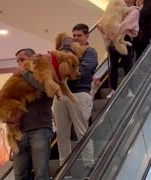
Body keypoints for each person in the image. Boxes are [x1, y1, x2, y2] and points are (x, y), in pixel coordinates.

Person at [52, 24, 98, 177]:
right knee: (62, 134)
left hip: (79, 94)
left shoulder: (90, 51)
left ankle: (89, 167)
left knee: (82, 132)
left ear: (86, 37)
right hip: (60, 95)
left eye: (79, 35)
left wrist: (65, 68)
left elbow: (84, 71)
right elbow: (54, 71)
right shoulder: (64, 52)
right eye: (74, 35)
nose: (76, 38)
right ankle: (65, 170)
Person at [8, 48, 53, 180]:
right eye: (17, 61)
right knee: (20, 175)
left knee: (41, 174)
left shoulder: (44, 71)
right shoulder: (17, 78)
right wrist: (8, 118)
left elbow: (46, 88)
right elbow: (9, 100)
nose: (19, 63)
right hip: (19, 132)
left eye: (22, 60)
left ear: (31, 58)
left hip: (40, 129)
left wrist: (25, 73)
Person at [101, 0, 140, 98]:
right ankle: (113, 89)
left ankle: (130, 89)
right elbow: (105, 21)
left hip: (123, 38)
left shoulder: (134, 11)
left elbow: (127, 25)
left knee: (127, 66)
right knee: (113, 66)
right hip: (112, 39)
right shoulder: (114, 7)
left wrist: (114, 33)